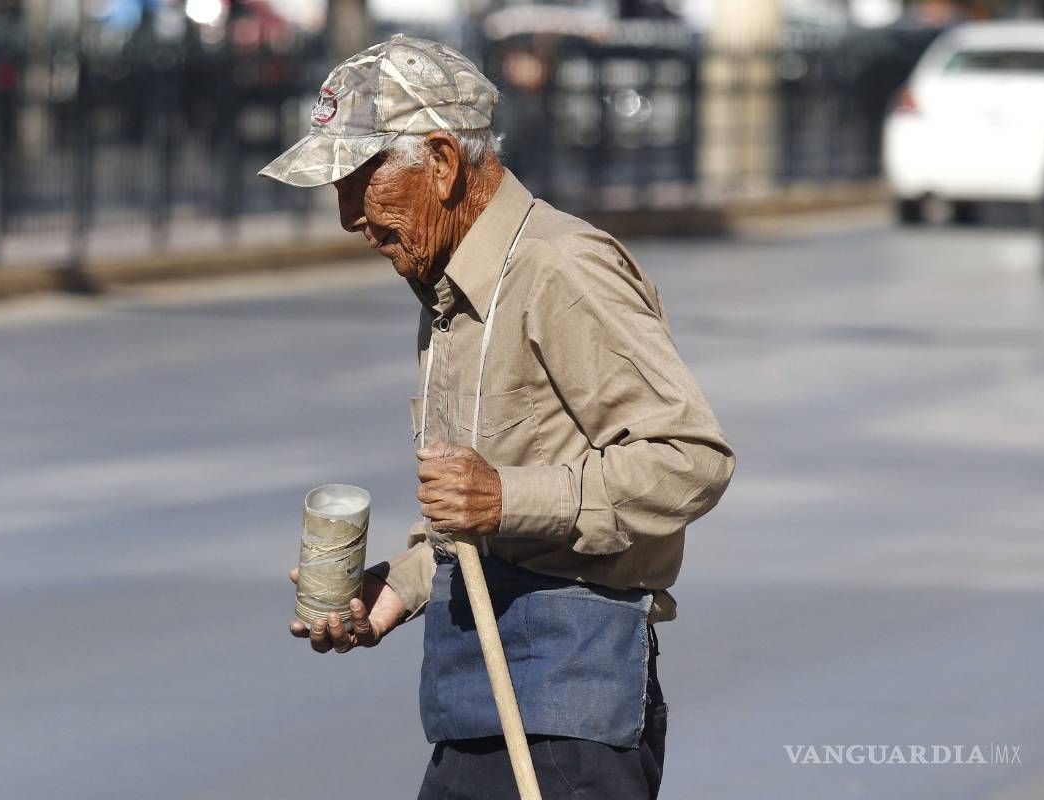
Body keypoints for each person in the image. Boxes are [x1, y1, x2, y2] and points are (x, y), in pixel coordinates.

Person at [262, 34, 734, 799]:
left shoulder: (558, 266)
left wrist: (507, 498)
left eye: (359, 179)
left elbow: (691, 458)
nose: (348, 214)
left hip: (571, 716)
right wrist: (405, 584)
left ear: (442, 163)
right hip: (477, 694)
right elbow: (472, 513)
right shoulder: (448, 287)